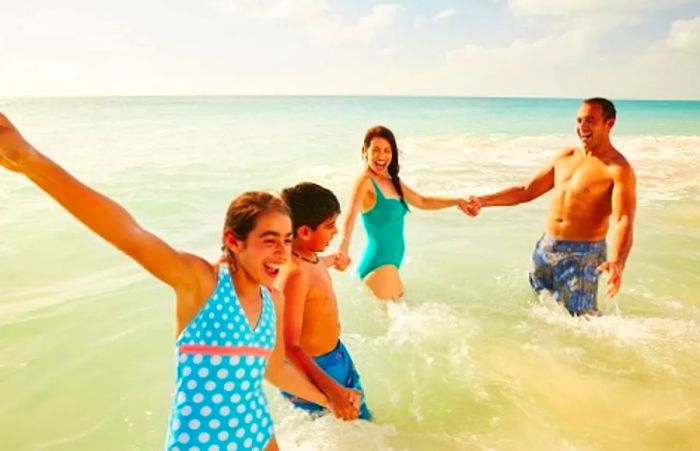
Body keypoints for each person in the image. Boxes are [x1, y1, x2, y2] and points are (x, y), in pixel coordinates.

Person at [0, 113, 329, 451]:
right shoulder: (201, 283)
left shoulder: (272, 299)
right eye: (269, 239)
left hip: (259, 436)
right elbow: (126, 231)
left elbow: (275, 372)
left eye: (287, 240)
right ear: (234, 241)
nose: (281, 251)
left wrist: (330, 399)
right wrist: (30, 160)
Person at [464, 98, 637, 316]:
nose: (582, 127)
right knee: (543, 311)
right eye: (579, 120)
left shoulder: (618, 169)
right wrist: (483, 201)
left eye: (590, 121)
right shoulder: (566, 156)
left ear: (609, 124)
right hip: (546, 248)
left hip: (582, 256)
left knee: (583, 322)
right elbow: (526, 191)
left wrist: (618, 262)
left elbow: (624, 220)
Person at [337, 125, 471, 301]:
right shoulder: (365, 181)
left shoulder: (392, 181)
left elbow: (422, 201)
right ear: (365, 151)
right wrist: (343, 247)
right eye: (376, 150)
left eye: (387, 150)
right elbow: (351, 212)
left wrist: (456, 201)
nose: (382, 156)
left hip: (391, 265)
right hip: (379, 265)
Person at [275, 182, 371, 421]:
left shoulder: (310, 257)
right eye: (330, 227)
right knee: (338, 433)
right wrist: (332, 391)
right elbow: (290, 346)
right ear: (305, 232)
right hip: (315, 371)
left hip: (336, 356)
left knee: (362, 426)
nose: (335, 233)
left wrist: (333, 260)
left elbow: (315, 268)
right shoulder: (293, 274)